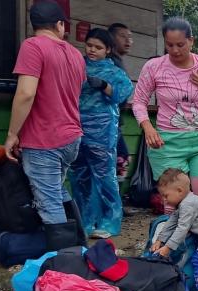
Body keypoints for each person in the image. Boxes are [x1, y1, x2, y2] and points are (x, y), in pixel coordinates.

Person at [4, 0, 86, 250]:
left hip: (44, 140)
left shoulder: (33, 46)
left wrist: (11, 134)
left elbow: (26, 93)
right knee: (57, 192)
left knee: (49, 201)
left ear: (34, 26)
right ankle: (80, 246)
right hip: (71, 137)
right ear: (60, 25)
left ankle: (67, 265)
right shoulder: (75, 55)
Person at [132, 17, 198, 209]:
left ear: (191, 41)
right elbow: (139, 102)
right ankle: (176, 240)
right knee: (173, 205)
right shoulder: (154, 67)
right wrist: (147, 128)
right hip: (167, 142)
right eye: (169, 45)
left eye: (181, 44)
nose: (175, 50)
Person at [68, 28, 133, 238]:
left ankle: (109, 222)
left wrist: (104, 85)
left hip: (103, 128)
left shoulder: (115, 73)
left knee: (104, 175)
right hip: (76, 125)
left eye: (98, 47)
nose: (92, 50)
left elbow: (122, 94)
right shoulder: (77, 67)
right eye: (89, 46)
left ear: (108, 50)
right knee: (80, 175)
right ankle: (85, 221)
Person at [107, 23, 134, 182]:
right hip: (107, 122)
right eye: (123, 36)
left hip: (116, 121)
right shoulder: (109, 63)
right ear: (111, 38)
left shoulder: (117, 61)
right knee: (116, 164)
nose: (128, 40)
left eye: (130, 37)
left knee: (122, 160)